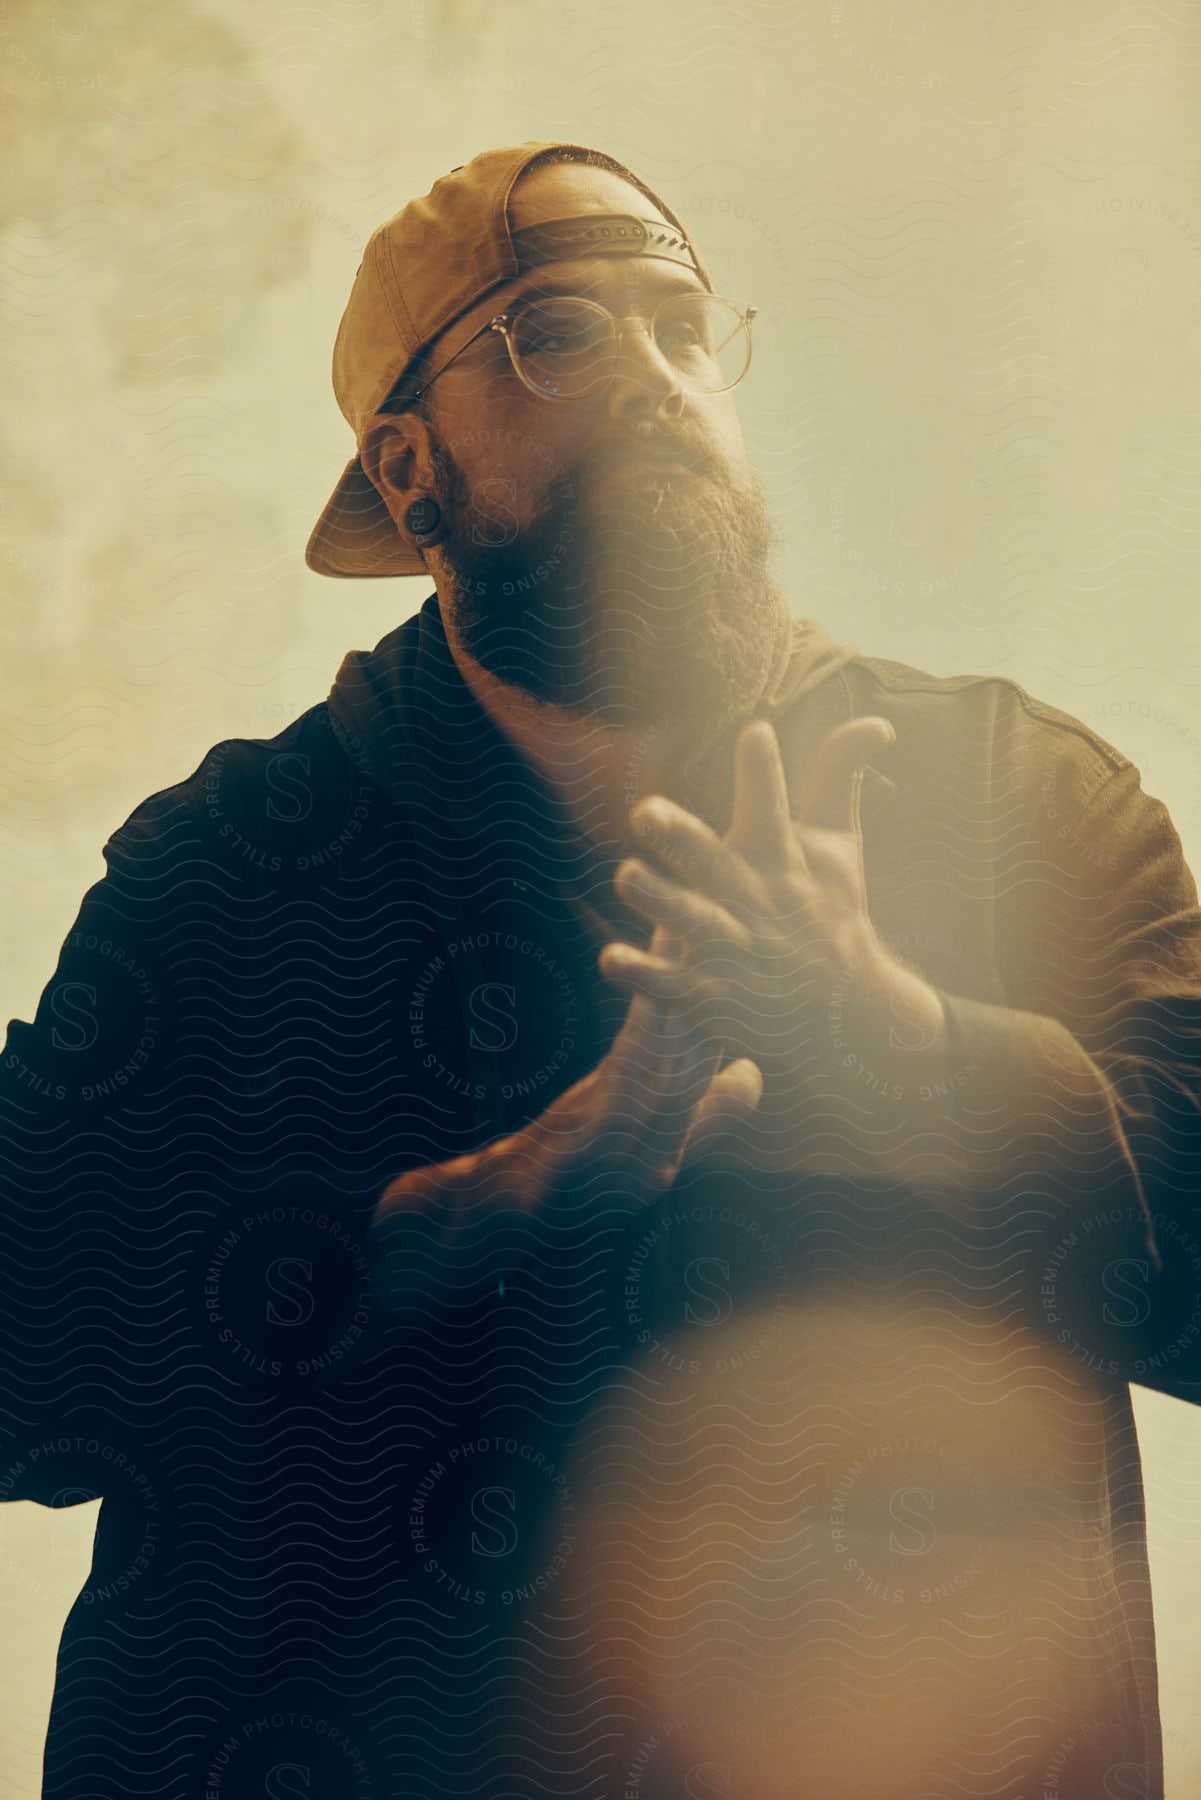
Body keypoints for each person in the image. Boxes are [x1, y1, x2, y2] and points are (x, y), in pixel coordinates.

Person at [2, 139, 1199, 1799]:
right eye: (554, 332)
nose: (655, 380)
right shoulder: (227, 870)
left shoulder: (1019, 802)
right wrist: (506, 1194)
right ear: (407, 472)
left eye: (685, 329)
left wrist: (905, 1048)